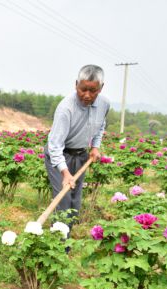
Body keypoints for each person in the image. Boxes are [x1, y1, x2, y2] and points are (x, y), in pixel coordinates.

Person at [44, 64, 109, 231]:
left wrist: (95, 146)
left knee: (75, 201)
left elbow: (101, 125)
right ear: (76, 84)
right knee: (63, 200)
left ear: (100, 88)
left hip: (81, 155)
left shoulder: (104, 104)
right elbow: (55, 145)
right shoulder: (66, 108)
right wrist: (64, 172)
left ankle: (66, 243)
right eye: (83, 89)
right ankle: (57, 246)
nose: (86, 95)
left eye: (92, 91)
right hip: (60, 155)